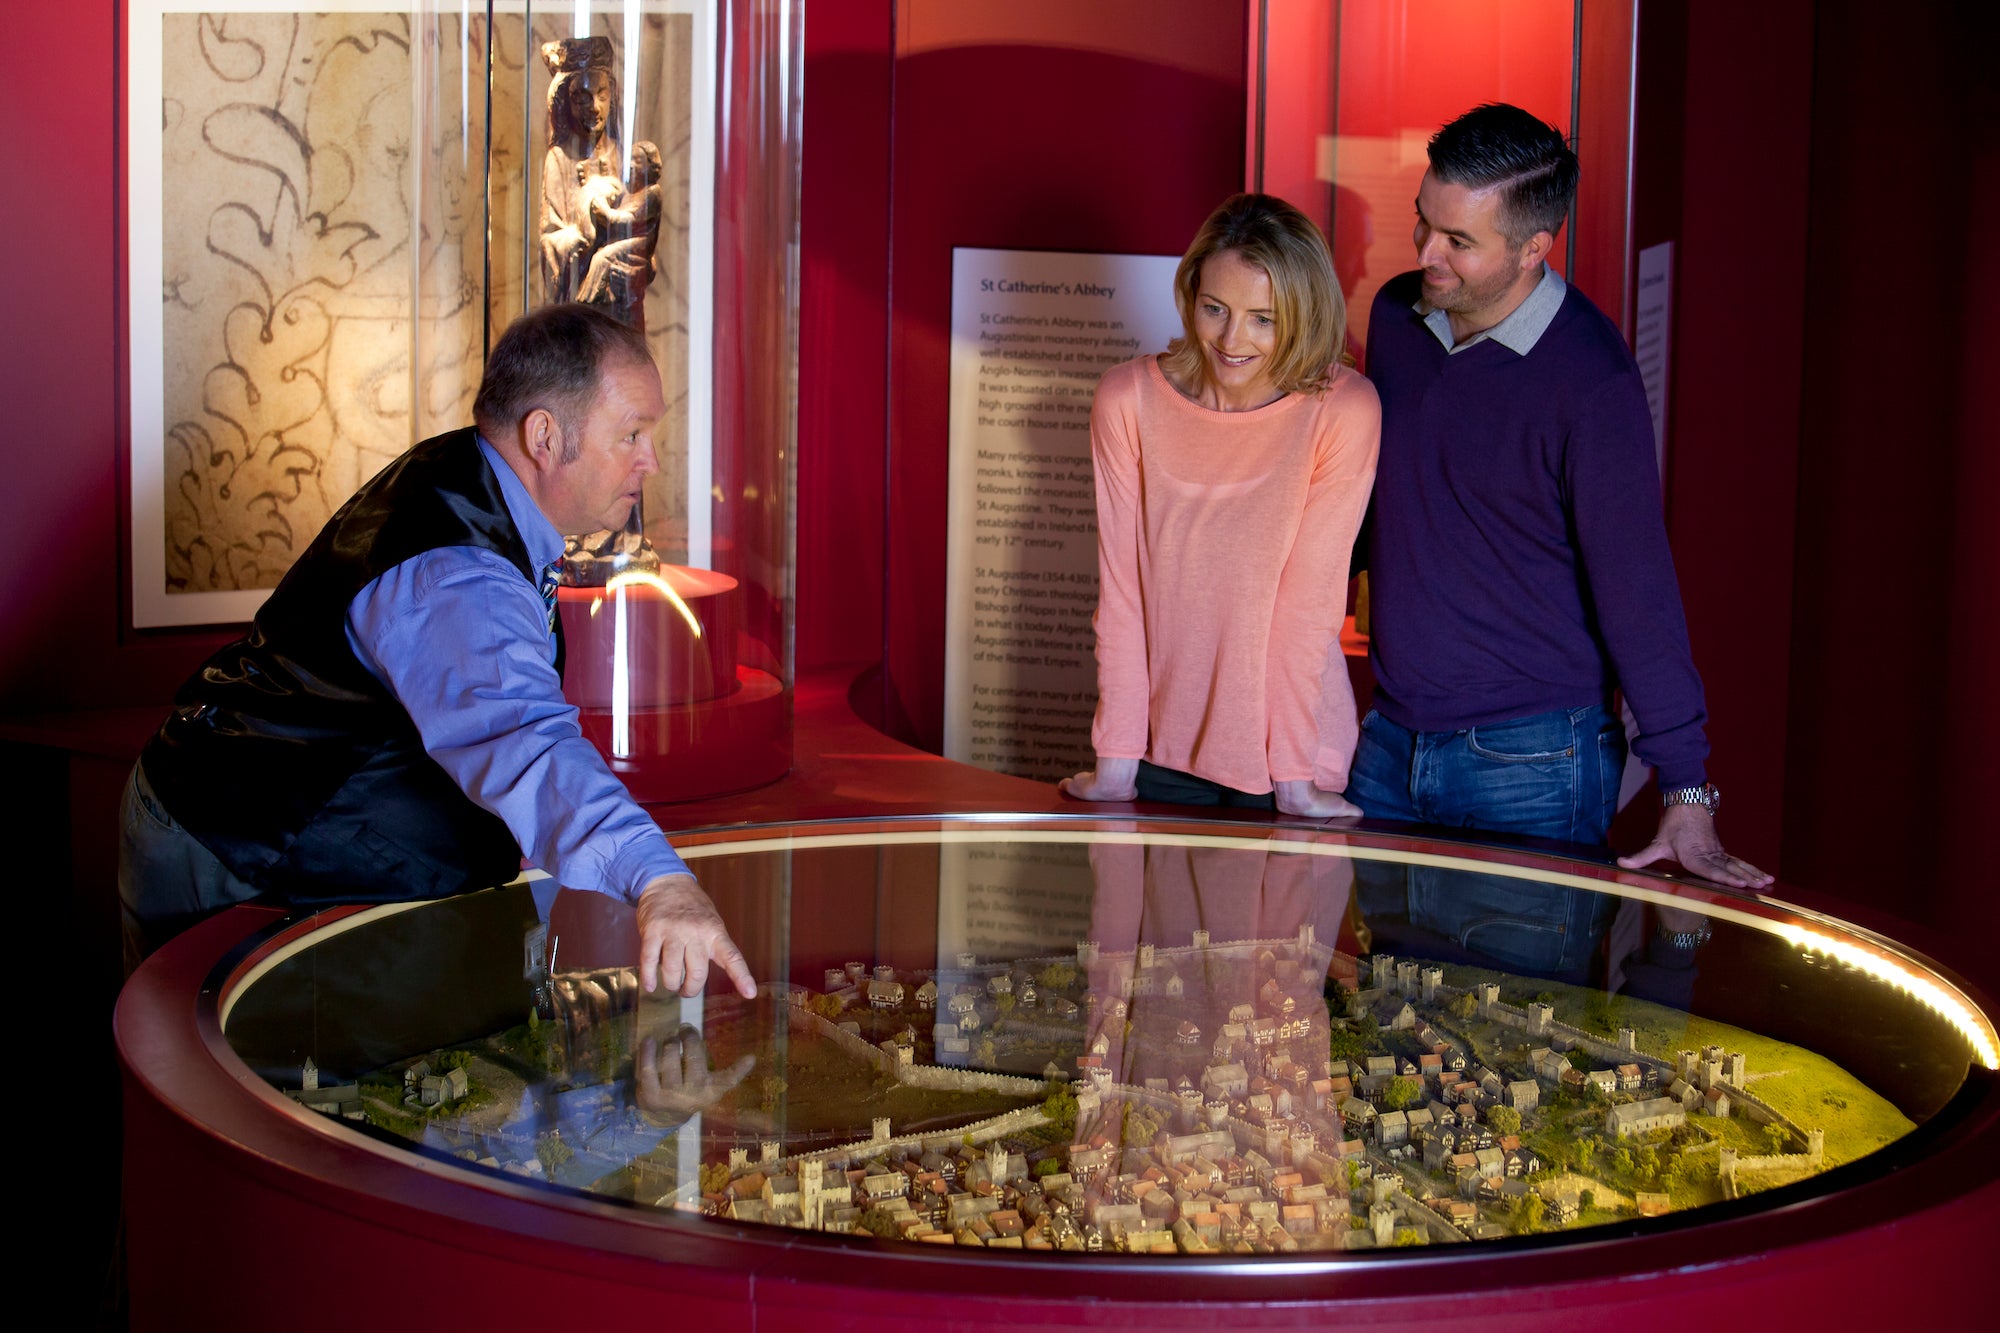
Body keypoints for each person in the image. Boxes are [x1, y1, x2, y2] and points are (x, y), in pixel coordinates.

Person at [120, 303, 757, 999]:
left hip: (274, 823)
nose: (652, 460)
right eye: (631, 432)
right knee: (223, 1081)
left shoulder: (469, 475)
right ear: (544, 435)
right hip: (228, 840)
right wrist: (657, 876)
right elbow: (526, 742)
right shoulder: (458, 572)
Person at [1349, 102, 1770, 890]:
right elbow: (1372, 507)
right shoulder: (1398, 318)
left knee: (1519, 1016)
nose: (1426, 253)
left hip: (1535, 763)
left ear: (1534, 247)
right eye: (1424, 222)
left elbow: (1639, 593)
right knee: (1379, 1009)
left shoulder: (1593, 381)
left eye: (1459, 241)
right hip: (1386, 742)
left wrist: (1685, 784)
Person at [1060, 193, 1380, 815]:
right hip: (1159, 755)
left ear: (1304, 313)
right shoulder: (1126, 400)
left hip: (1296, 764)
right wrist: (1117, 764)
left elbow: (1309, 607)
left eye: (1265, 318)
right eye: (1215, 309)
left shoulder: (1342, 409)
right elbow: (1124, 596)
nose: (1233, 340)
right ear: (1190, 295)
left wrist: (1293, 781)